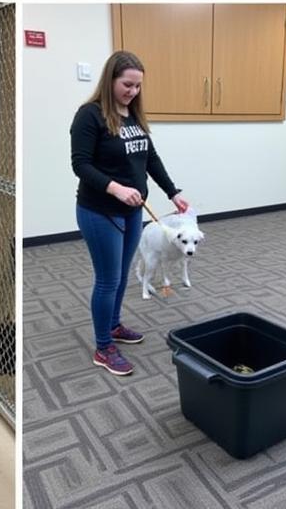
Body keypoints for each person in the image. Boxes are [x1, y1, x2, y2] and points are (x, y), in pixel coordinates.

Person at [70, 50, 189, 376]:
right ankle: (103, 347)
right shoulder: (89, 115)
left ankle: (113, 325)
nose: (132, 92)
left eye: (137, 86)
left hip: (133, 212)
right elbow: (80, 164)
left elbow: (150, 159)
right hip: (99, 211)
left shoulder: (134, 116)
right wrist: (116, 188)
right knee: (108, 280)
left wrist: (173, 191)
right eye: (127, 84)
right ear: (110, 79)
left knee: (122, 276)